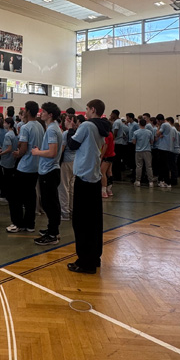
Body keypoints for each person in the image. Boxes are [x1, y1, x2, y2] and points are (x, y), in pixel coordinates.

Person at [66, 99, 111, 274]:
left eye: (86, 109)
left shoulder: (87, 126)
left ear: (93, 109)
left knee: (81, 222)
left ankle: (85, 262)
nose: (85, 112)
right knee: (94, 222)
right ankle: (94, 257)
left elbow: (72, 145)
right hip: (94, 177)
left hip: (84, 177)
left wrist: (70, 129)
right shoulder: (102, 127)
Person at [7, 101, 44, 234]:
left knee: (15, 196)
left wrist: (17, 154)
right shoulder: (40, 126)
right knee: (30, 196)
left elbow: (23, 148)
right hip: (36, 165)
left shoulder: (26, 127)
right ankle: (30, 224)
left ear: (27, 111)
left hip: (25, 166)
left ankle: (17, 223)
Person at [31, 102, 63, 245]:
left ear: (50, 114)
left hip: (49, 171)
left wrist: (37, 152)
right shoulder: (53, 128)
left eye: (43, 111)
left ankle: (53, 234)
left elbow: (52, 152)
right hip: (50, 169)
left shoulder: (51, 130)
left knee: (50, 203)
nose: (41, 113)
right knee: (50, 202)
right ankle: (52, 229)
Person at [59, 113, 82, 219]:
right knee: (72, 187)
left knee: (64, 188)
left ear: (68, 121)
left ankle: (65, 212)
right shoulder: (78, 132)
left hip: (66, 162)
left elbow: (62, 149)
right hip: (75, 162)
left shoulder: (66, 134)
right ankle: (72, 209)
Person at [133, 117, 154, 186]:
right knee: (149, 166)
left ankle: (138, 181)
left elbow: (134, 142)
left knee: (139, 166)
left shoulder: (136, 132)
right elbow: (151, 142)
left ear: (139, 124)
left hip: (138, 151)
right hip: (147, 150)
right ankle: (151, 181)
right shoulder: (149, 132)